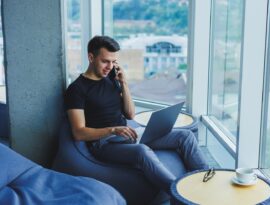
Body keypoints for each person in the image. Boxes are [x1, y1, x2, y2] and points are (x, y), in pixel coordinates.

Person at [64, 35, 208, 194]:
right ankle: (180, 194)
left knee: (185, 136)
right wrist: (112, 130)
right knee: (142, 152)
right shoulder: (76, 89)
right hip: (103, 144)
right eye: (105, 61)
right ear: (91, 57)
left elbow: (130, 114)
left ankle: (207, 179)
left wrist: (124, 83)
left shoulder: (111, 77)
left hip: (128, 134)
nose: (109, 66)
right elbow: (78, 132)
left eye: (113, 62)